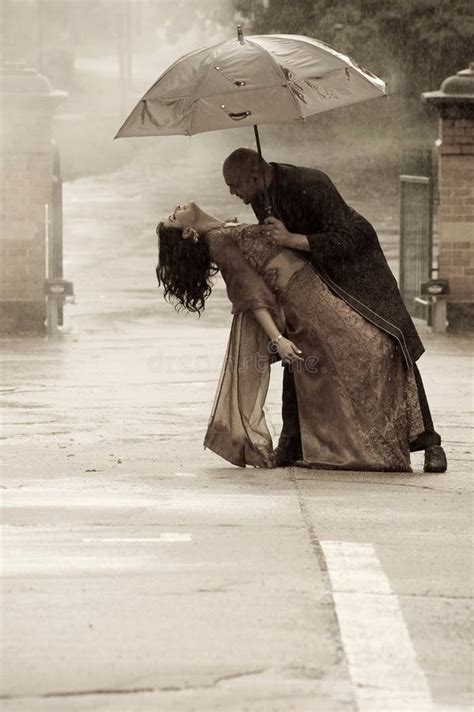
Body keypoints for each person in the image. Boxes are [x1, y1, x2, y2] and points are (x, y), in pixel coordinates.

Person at [222, 148, 447, 474]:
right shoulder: (260, 198)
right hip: (318, 278)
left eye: (235, 185)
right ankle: (293, 439)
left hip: (359, 270)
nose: (233, 193)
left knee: (391, 341)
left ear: (255, 176)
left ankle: (430, 443)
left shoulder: (311, 183)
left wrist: (291, 238)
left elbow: (347, 235)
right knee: (299, 340)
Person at [156, 201, 426, 473]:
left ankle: (375, 443)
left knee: (375, 347)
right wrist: (277, 340)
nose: (178, 207)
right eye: (174, 215)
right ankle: (367, 448)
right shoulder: (219, 241)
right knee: (374, 348)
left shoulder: (225, 227)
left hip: (315, 289)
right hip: (304, 304)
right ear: (187, 232)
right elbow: (251, 293)